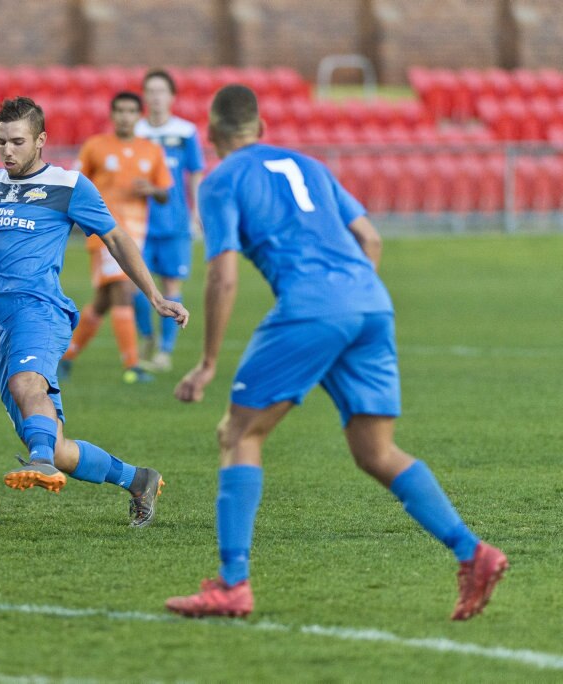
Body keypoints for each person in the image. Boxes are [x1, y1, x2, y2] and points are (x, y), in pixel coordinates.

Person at [165, 85, 507, 620]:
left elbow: (222, 275)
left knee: (238, 432)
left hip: (311, 307)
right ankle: (474, 552)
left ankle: (233, 584)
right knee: (376, 452)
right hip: (370, 303)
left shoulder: (220, 180)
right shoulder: (310, 165)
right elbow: (370, 239)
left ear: (211, 132)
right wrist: (347, 301)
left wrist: (208, 362)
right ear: (260, 127)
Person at [0, 97, 189, 527]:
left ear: (41, 140)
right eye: (0, 141)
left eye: (17, 141)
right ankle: (139, 479)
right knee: (55, 443)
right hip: (2, 324)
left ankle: (40, 463)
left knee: (27, 383)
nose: (7, 150)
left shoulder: (69, 185)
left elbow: (117, 238)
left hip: (41, 311)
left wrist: (153, 295)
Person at [59, 91, 172, 384]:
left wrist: (152, 190)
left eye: (131, 111)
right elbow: (74, 183)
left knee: (103, 301)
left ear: (139, 115)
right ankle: (132, 365)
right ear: (112, 115)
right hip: (105, 234)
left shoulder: (152, 150)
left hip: (137, 234)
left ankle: (66, 356)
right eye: (120, 111)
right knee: (123, 290)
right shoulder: (95, 146)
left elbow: (164, 193)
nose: (125, 116)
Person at [133, 69, 205, 373]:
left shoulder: (186, 132)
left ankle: (165, 350)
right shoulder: (136, 133)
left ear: (172, 97)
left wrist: (197, 212)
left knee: (171, 284)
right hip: (139, 223)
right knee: (137, 285)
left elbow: (195, 173)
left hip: (174, 223)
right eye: (150, 90)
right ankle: (147, 336)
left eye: (161, 91)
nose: (156, 96)